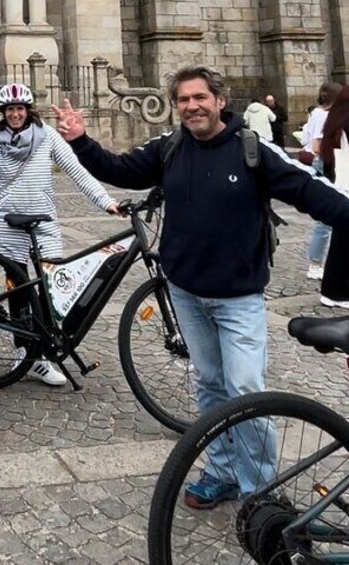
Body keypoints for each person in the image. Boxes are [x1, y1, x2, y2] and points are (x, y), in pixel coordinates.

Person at [54, 65, 349, 508]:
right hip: (186, 293)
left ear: (219, 101)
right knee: (210, 386)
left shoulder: (253, 149)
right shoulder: (169, 148)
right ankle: (222, 472)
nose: (192, 106)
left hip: (238, 299)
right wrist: (80, 139)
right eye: (183, 100)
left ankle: (261, 495)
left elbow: (312, 191)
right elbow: (120, 169)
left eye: (200, 98)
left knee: (247, 392)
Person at [0, 83, 119, 386]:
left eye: (20, 109)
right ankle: (28, 355)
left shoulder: (47, 136)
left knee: (53, 290)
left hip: (44, 223)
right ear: (4, 113)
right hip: (9, 224)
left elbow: (76, 170)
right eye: (10, 110)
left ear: (29, 110)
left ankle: (45, 349)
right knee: (18, 290)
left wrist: (106, 201)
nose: (16, 114)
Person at [303, 82, 342, 280]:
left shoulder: (320, 113)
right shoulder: (322, 115)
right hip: (327, 165)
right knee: (326, 217)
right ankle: (315, 263)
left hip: (332, 164)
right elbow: (317, 144)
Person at [319, 86, 349, 308]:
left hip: (342, 184)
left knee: (342, 241)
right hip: (346, 186)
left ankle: (334, 290)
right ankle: (335, 292)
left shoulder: (336, 120)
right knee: (342, 243)